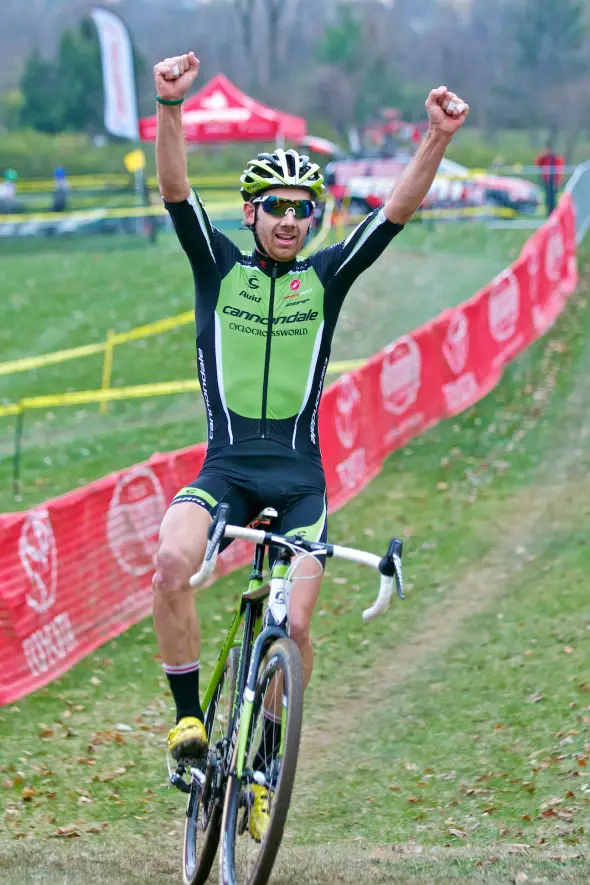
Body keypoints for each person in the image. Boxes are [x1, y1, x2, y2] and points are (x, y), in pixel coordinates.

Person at [152, 50, 468, 840]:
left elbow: (391, 214)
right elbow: (175, 190)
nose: (291, 218)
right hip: (225, 469)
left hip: (299, 483)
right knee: (169, 558)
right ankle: (190, 721)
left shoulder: (324, 280)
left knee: (292, 627)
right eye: (276, 206)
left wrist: (435, 138)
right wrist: (169, 108)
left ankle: (264, 757)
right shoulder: (216, 264)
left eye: (303, 207)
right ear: (251, 212)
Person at [535, 142, 564, 216]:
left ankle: (554, 212)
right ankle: (548, 213)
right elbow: (538, 163)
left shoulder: (556, 158)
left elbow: (559, 168)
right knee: (547, 197)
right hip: (547, 180)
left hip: (554, 180)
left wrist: (558, 180)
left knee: (553, 197)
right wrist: (543, 155)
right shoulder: (544, 158)